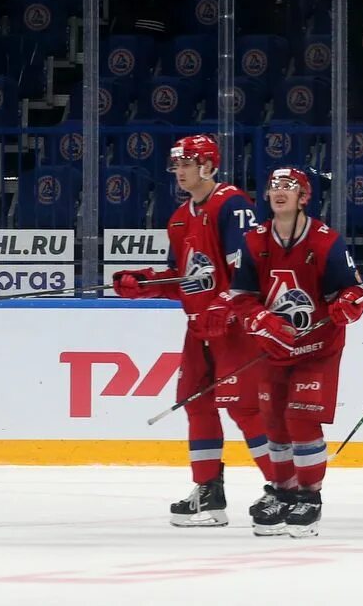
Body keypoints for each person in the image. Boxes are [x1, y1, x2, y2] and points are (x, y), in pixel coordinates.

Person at [110, 135, 274, 529]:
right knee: (194, 402)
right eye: (178, 165)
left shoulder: (232, 203)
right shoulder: (180, 217)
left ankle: (282, 487)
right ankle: (208, 493)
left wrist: (225, 305)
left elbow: (248, 268)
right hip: (199, 327)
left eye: (188, 163)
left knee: (244, 406)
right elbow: (184, 278)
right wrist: (144, 282)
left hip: (234, 326)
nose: (180, 172)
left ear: (208, 165)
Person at [210, 168, 363, 537]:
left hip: (318, 348)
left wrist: (348, 305)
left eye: (288, 187)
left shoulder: (327, 241)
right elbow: (242, 297)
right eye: (274, 186)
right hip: (274, 349)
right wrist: (264, 318)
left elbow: (353, 291)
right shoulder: (253, 242)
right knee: (274, 424)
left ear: (304, 197)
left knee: (300, 419)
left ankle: (310, 496)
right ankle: (283, 490)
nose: (280, 192)